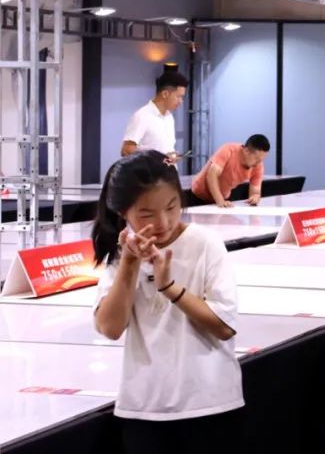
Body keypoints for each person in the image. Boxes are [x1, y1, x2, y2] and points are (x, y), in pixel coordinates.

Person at [91, 151, 242, 454]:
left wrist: (169, 288)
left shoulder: (205, 243)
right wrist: (129, 264)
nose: (163, 222)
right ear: (123, 212)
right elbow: (109, 328)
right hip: (144, 406)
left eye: (172, 207)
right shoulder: (123, 253)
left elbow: (224, 327)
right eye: (146, 215)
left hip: (208, 403)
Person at [121, 71, 188, 165]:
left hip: (168, 173)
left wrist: (171, 158)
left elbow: (163, 153)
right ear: (165, 94)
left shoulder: (169, 117)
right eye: (178, 96)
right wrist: (159, 159)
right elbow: (126, 150)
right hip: (149, 174)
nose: (181, 101)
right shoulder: (142, 116)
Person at [188, 135, 270, 208]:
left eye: (261, 160)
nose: (258, 163)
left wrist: (255, 197)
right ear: (246, 151)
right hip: (199, 196)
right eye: (256, 159)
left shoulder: (258, 166)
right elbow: (212, 174)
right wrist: (219, 200)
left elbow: (255, 190)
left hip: (222, 197)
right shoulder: (228, 150)